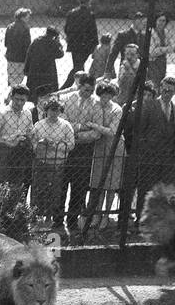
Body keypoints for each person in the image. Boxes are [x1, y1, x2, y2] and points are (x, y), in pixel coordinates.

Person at [124, 80, 175, 214]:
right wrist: (145, 152)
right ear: (160, 89)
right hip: (149, 158)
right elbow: (140, 132)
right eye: (165, 90)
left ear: (174, 92)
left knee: (162, 193)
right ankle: (140, 219)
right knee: (145, 190)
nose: (167, 94)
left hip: (167, 160)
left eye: (170, 91)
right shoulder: (149, 105)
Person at [61, 74, 103, 229]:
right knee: (62, 184)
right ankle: (58, 219)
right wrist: (81, 127)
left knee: (79, 186)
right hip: (66, 149)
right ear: (79, 86)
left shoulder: (96, 104)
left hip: (85, 149)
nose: (88, 93)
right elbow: (63, 124)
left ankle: (72, 220)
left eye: (91, 91)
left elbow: (96, 132)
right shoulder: (67, 100)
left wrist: (77, 135)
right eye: (86, 90)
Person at [29, 98, 74, 227]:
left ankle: (49, 217)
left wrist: (55, 146)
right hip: (42, 162)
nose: (54, 113)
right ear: (46, 111)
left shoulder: (66, 125)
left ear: (60, 111)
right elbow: (32, 143)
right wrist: (41, 142)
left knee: (54, 192)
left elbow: (71, 144)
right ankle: (36, 217)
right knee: (39, 190)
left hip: (58, 163)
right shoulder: (38, 125)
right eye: (51, 110)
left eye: (57, 111)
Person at [86, 81, 125, 228]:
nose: (105, 98)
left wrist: (94, 126)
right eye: (103, 95)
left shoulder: (117, 109)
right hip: (100, 147)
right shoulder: (95, 105)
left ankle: (107, 215)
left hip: (114, 147)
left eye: (108, 95)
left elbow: (112, 131)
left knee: (111, 185)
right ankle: (97, 214)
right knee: (98, 183)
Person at [0, 84, 34, 199]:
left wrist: (26, 137)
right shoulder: (2, 113)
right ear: (11, 97)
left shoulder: (28, 113)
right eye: (17, 99)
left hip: (21, 154)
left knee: (17, 186)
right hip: (4, 153)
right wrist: (8, 142)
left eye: (22, 100)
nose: (19, 103)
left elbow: (30, 131)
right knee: (0, 186)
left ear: (26, 100)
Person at [63, 0, 98, 88]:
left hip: (74, 44)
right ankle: (68, 86)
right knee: (79, 66)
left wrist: (70, 38)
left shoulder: (72, 13)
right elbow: (93, 31)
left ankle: (79, 84)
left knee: (78, 65)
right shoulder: (90, 14)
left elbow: (66, 28)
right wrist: (95, 45)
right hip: (86, 45)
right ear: (88, 3)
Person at [25, 27, 65, 100]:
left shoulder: (36, 41)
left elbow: (29, 54)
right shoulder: (53, 43)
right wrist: (58, 43)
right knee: (48, 91)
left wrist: (26, 69)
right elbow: (60, 54)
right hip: (48, 71)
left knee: (34, 89)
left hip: (35, 69)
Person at [5, 8, 33, 95]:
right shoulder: (25, 28)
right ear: (22, 17)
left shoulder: (10, 26)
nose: (28, 19)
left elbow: (6, 43)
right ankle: (13, 95)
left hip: (10, 56)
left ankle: (11, 93)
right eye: (27, 17)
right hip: (21, 57)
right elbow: (27, 44)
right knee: (19, 77)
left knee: (12, 77)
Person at [146, 14, 173, 88]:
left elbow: (171, 48)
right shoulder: (151, 32)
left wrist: (159, 49)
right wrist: (165, 49)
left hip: (162, 62)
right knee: (153, 83)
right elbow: (152, 53)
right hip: (152, 62)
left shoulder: (166, 32)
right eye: (159, 20)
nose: (161, 22)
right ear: (155, 21)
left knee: (161, 83)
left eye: (163, 21)